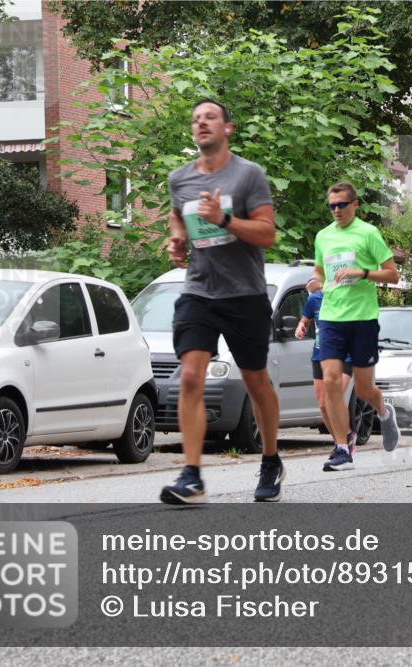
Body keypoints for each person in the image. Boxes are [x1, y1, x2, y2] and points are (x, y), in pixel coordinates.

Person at [160, 98, 284, 504]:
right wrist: (176, 238)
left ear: (227, 128)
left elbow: (267, 234)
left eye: (210, 117)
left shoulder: (248, 175)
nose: (201, 123)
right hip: (199, 290)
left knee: (256, 381)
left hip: (244, 293)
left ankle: (270, 459)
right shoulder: (180, 178)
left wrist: (225, 220)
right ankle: (192, 476)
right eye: (195, 119)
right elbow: (178, 215)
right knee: (192, 376)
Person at [313, 182, 401, 471]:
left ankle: (384, 413)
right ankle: (341, 447)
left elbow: (393, 275)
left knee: (364, 389)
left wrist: (361, 272)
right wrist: (315, 282)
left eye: (341, 205)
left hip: (362, 318)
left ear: (355, 204)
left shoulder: (368, 233)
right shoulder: (323, 236)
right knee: (330, 381)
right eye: (332, 206)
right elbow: (319, 271)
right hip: (331, 318)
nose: (336, 210)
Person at [295, 276, 354, 443]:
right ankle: (341, 442)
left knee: (333, 399)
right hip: (320, 355)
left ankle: (343, 443)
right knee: (323, 405)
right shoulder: (314, 299)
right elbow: (304, 321)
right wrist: (300, 328)